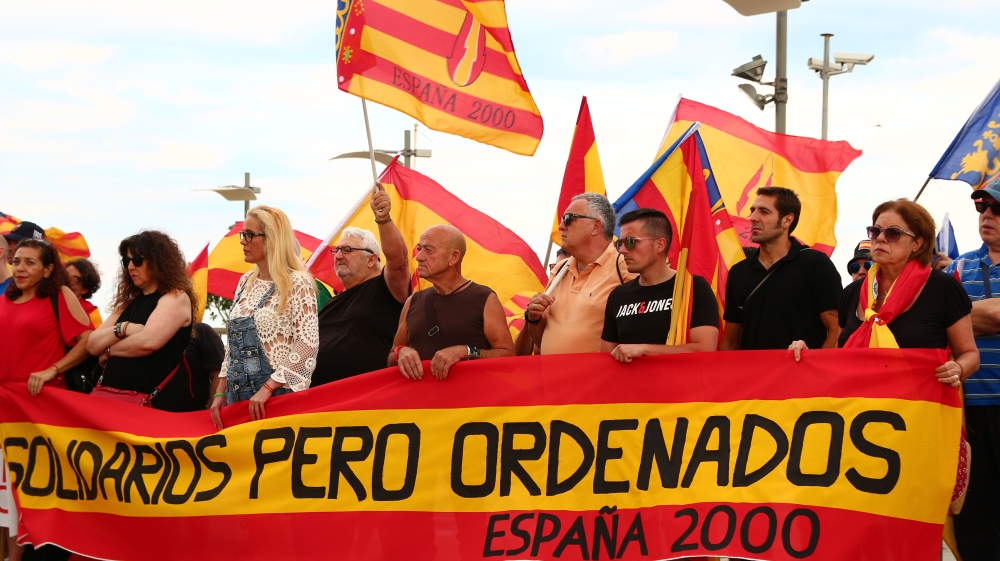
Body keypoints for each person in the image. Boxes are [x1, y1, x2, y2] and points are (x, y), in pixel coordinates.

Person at [0, 239, 93, 561]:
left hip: (40, 409)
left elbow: (87, 341)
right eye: (17, 261)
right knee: (6, 488)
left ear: (48, 268)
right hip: (4, 408)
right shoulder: (6, 299)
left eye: (29, 263)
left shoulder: (59, 296)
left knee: (33, 487)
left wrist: (52, 369)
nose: (20, 268)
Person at [209, 206, 318, 428]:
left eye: (249, 234)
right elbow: (232, 347)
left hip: (277, 398)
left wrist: (268, 388)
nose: (242, 241)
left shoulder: (297, 282)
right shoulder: (245, 282)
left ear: (272, 239)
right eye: (243, 234)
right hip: (236, 396)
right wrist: (220, 393)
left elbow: (307, 343)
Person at [943, 180, 1000, 559]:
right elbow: (942, 321)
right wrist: (977, 315)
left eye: (997, 210)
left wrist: (965, 316)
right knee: (974, 515)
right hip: (968, 410)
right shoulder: (958, 268)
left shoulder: (955, 274)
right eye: (982, 209)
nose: (987, 216)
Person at [87, 231, 198, 412]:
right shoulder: (128, 304)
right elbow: (92, 345)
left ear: (157, 261)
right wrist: (123, 328)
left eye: (137, 259)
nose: (130, 266)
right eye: (126, 261)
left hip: (154, 408)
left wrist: (109, 350)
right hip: (113, 403)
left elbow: (147, 342)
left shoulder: (175, 297)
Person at [721, 187, 842, 351]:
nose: (753, 217)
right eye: (753, 210)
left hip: (800, 374)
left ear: (787, 220)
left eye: (764, 212)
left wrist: (817, 368)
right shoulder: (738, 272)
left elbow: (837, 330)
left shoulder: (815, 264)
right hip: (753, 375)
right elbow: (730, 340)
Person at [313, 183, 410, 386]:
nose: (338, 256)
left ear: (372, 260)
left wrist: (383, 219)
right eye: (336, 251)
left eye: (347, 249)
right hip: (320, 403)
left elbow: (399, 262)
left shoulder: (385, 289)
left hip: (365, 405)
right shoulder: (332, 303)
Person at [389, 225, 514, 380]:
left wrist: (465, 351)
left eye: (428, 250)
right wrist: (400, 352)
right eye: (419, 248)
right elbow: (391, 356)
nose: (419, 257)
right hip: (420, 402)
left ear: (453, 257)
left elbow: (508, 357)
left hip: (470, 402)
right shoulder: (413, 301)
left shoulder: (484, 298)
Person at [600, 209, 719, 362]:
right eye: (619, 243)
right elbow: (605, 359)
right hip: (631, 385)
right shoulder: (618, 295)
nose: (622, 250)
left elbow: (705, 350)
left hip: (678, 384)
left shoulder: (692, 287)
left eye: (630, 242)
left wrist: (644, 350)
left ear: (659, 245)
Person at [525, 193, 635, 354]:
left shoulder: (625, 266)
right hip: (554, 376)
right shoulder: (560, 269)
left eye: (569, 218)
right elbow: (542, 342)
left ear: (596, 227)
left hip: (598, 378)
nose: (561, 226)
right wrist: (534, 319)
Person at [187, 322, 226, 408]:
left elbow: (219, 373)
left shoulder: (202, 331)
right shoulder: (152, 340)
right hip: (156, 414)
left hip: (196, 414)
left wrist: (212, 412)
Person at [65, 257, 103, 327]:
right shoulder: (48, 302)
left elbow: (97, 337)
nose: (67, 283)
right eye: (65, 276)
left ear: (84, 289)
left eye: (75, 280)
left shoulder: (92, 314)